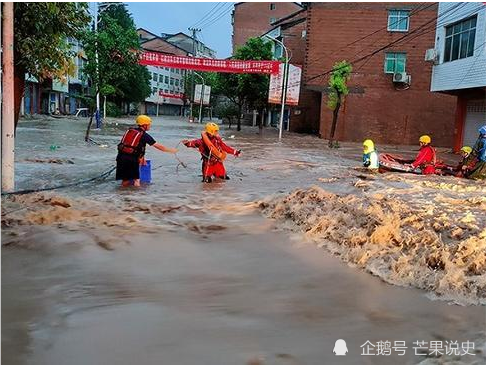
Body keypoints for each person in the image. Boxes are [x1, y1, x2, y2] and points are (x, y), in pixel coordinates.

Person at [116, 115, 177, 187]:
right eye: (149, 124)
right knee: (136, 180)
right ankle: (136, 196)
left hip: (120, 157)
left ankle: (121, 195)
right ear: (144, 125)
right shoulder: (144, 135)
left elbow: (136, 146)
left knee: (125, 179)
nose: (150, 126)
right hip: (131, 160)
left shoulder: (130, 131)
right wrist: (171, 150)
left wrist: (142, 158)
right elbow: (159, 147)